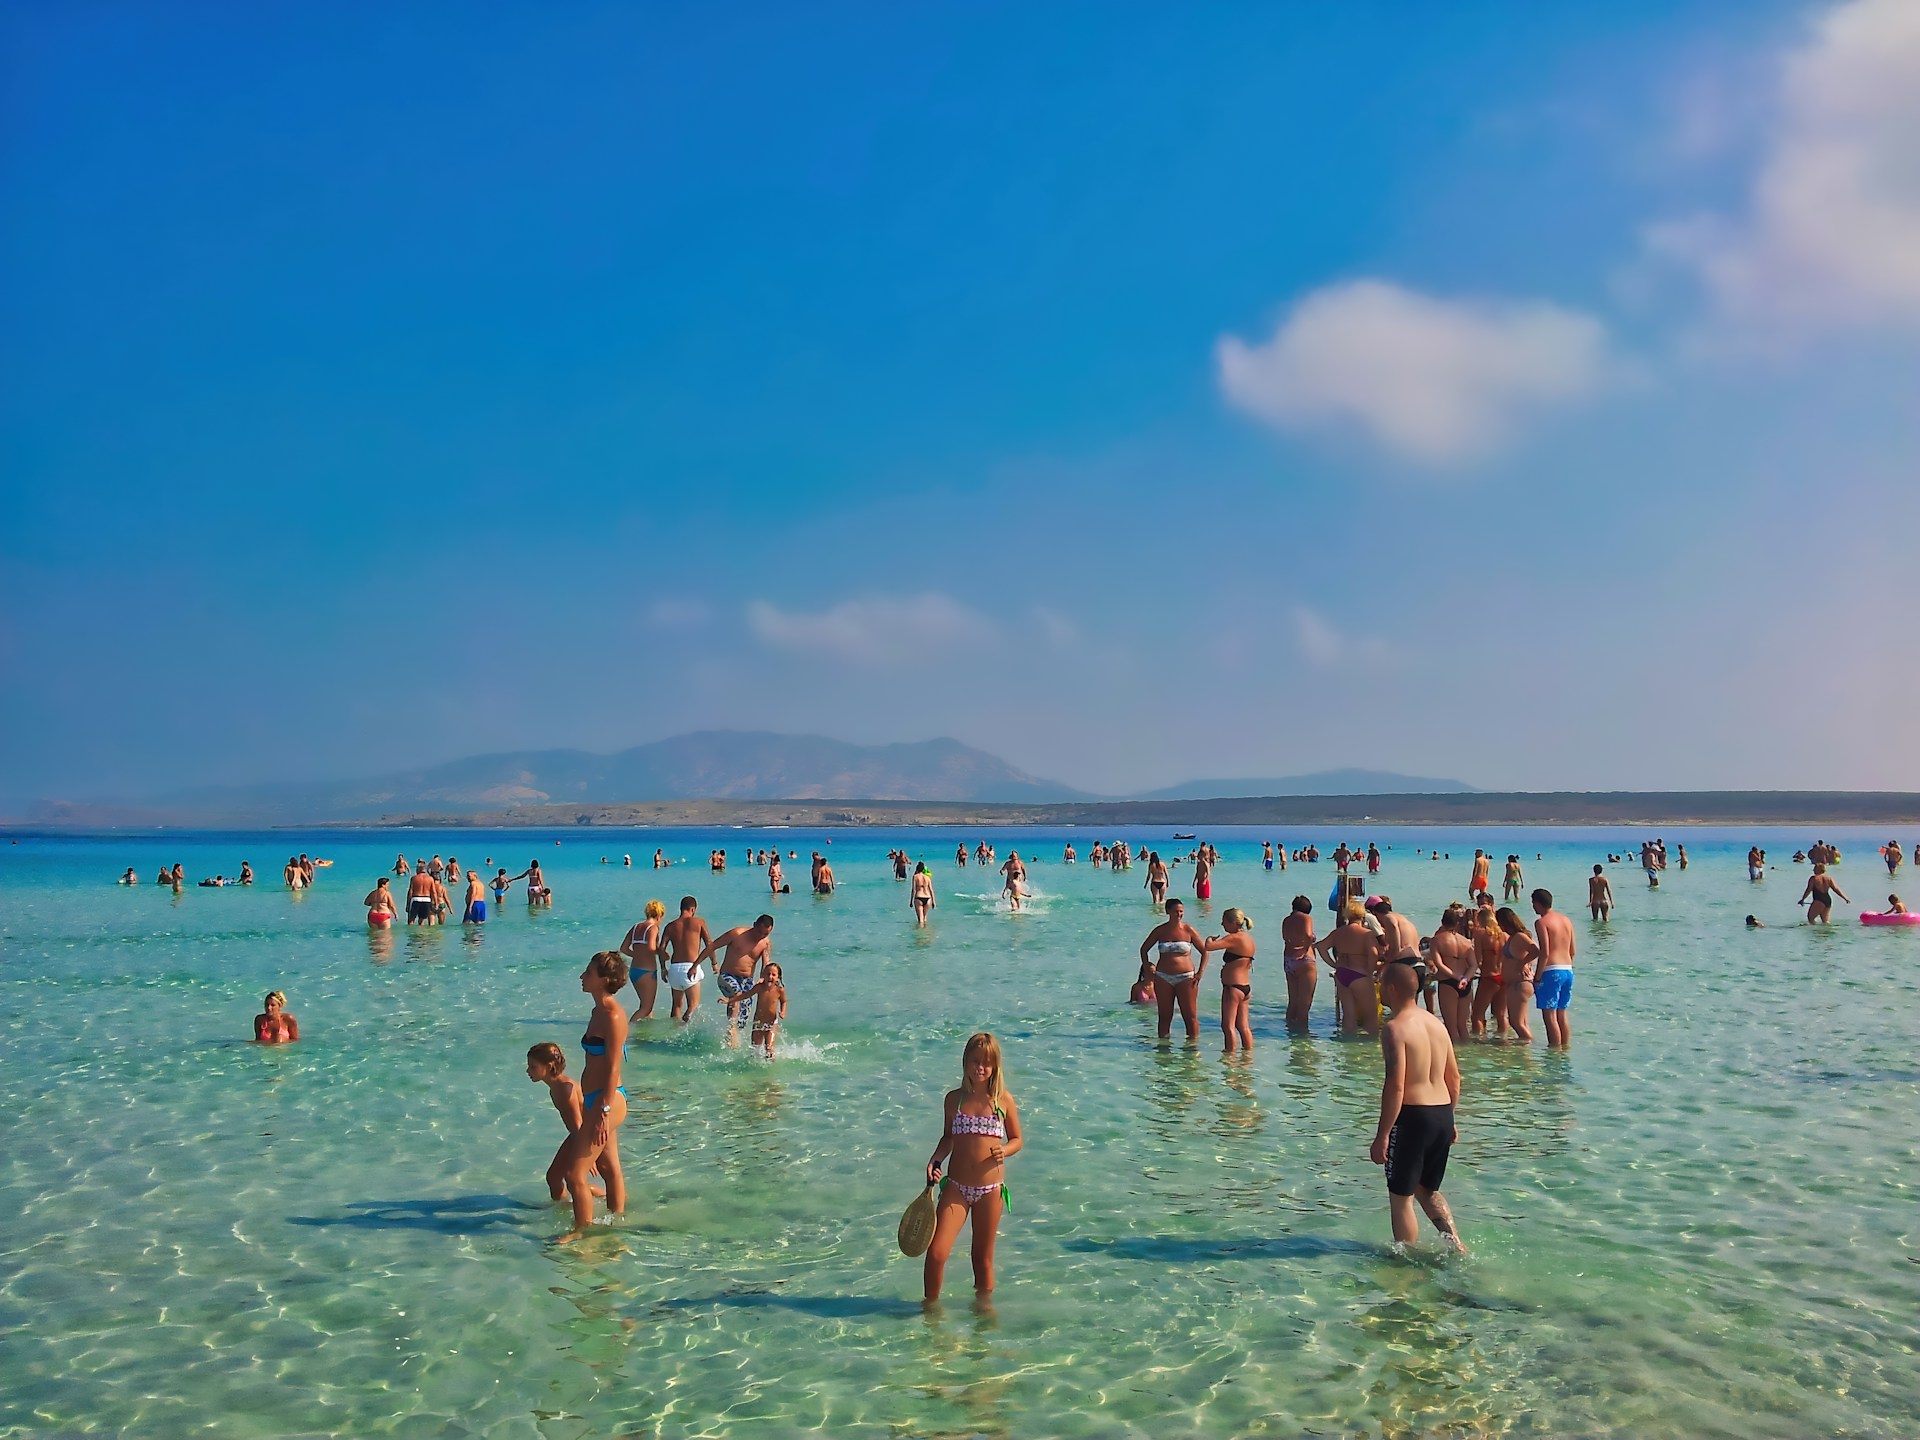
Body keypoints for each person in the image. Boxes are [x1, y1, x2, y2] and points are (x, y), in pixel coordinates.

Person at [1371, 963, 1466, 1253]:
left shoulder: (1394, 1029)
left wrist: (1382, 1135)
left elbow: (1396, 1086)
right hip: (1441, 1113)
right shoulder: (1436, 1024)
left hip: (1413, 1116)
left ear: (1392, 989)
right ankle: (1457, 1245)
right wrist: (1450, 1118)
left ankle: (1405, 1262)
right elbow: (1455, 1078)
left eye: (1381, 984)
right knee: (1428, 1189)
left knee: (1401, 1197)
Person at [922, 1032, 1023, 1302]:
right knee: (936, 1253)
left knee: (982, 1259)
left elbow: (1017, 1139)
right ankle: (930, 1314)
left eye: (986, 1063)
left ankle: (983, 1318)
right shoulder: (953, 1100)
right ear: (965, 1062)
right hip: (956, 1187)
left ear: (995, 1067)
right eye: (975, 1061)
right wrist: (936, 1158)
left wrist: (1006, 1150)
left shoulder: (1003, 1101)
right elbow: (948, 1137)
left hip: (990, 1191)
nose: (980, 1067)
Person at [560, 951, 630, 1238]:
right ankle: (618, 1222)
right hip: (596, 1099)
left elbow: (614, 1066)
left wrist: (602, 1111)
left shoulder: (613, 1015)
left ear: (604, 980)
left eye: (587, 973)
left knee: (575, 1174)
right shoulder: (596, 1012)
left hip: (608, 1100)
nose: (581, 977)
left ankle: (581, 1232)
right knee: (609, 1165)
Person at [526, 1042, 599, 1205]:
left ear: (549, 1065)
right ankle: (562, 1208)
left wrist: (588, 1155)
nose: (528, 1071)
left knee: (573, 1179)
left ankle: (607, 1198)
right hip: (576, 1134)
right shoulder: (555, 1088)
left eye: (533, 1067)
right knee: (553, 1178)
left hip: (585, 1135)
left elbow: (579, 1123)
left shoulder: (566, 1089)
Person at [699, 913, 775, 1047]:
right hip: (727, 976)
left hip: (747, 981)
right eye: (759, 932)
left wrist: (763, 979)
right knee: (737, 994)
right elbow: (712, 946)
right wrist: (695, 965)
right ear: (754, 925)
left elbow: (766, 963)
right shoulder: (737, 934)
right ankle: (731, 1029)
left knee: (743, 1018)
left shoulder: (765, 942)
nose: (760, 936)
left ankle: (731, 1039)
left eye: (765, 934)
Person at [1137, 898, 1209, 1040]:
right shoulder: (1160, 930)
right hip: (1163, 977)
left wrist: (1200, 972)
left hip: (1186, 977)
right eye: (1176, 911)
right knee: (1164, 1016)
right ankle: (1163, 1049)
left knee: (1190, 1016)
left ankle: (1193, 1050)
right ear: (1168, 911)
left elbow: (1205, 951)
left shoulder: (1188, 930)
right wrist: (1146, 966)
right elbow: (1144, 949)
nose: (1179, 914)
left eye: (1181, 911)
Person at [1316, 903, 1386, 1037]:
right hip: (1360, 974)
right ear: (1363, 916)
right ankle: (1371, 1049)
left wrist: (1334, 964)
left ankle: (1348, 1050)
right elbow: (1373, 954)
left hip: (1342, 974)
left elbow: (1321, 947)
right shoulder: (1367, 934)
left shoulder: (1338, 932)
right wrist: (1370, 971)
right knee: (1370, 1016)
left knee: (1348, 1015)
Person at [1199, 907, 1256, 1053]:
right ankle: (1248, 1058)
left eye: (1224, 921)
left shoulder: (1234, 938)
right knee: (1243, 1026)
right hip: (1245, 987)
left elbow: (1209, 947)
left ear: (1232, 922)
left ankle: (1230, 1060)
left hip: (1233, 987)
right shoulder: (1248, 938)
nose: (1222, 924)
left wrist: (1210, 938)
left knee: (1228, 1026)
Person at [1532, 888, 1575, 1047]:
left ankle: (1554, 1053)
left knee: (1549, 1016)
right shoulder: (1566, 920)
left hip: (1551, 971)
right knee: (1562, 1014)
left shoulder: (1541, 922)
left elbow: (1545, 952)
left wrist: (1537, 977)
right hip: (1567, 970)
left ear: (1537, 903)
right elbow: (1572, 950)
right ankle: (1565, 1049)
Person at [1428, 903, 1475, 1041]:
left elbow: (1439, 964)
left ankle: (1456, 1058)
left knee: (1451, 1027)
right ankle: (1467, 1056)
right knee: (1462, 1026)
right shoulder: (1466, 942)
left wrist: (1455, 976)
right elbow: (1473, 965)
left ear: (1442, 922)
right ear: (1457, 923)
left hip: (1448, 982)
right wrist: (1465, 978)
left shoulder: (1437, 940)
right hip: (1466, 983)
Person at [660, 895, 711, 1022]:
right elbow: (709, 944)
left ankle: (673, 1031)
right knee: (693, 1005)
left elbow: (661, 949)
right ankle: (687, 1025)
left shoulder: (670, 926)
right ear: (693, 909)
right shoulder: (699, 922)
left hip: (674, 970)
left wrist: (663, 968)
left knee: (676, 1005)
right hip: (690, 968)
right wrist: (714, 963)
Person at [1494, 907, 1538, 1043]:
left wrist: (1522, 963)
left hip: (1520, 984)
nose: (1499, 926)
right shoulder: (1514, 937)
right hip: (1516, 984)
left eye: (1499, 922)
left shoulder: (1519, 936)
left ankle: (1527, 1045)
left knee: (1516, 1022)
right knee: (1522, 1023)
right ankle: (1525, 1052)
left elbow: (1536, 950)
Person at [621, 899, 667, 1020]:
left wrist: (637, 955)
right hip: (647, 972)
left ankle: (645, 1034)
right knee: (646, 1008)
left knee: (645, 1006)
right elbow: (652, 948)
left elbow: (624, 948)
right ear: (659, 914)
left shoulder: (636, 927)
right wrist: (663, 954)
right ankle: (626, 1029)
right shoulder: (653, 928)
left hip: (634, 971)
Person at [1280, 896, 1317, 1030]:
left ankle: (1290, 1032)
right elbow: (1307, 935)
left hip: (1289, 959)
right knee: (1304, 1004)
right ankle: (1303, 1036)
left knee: (1293, 1002)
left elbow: (1285, 938)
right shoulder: (1306, 918)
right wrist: (1307, 947)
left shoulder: (1286, 920)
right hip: (1304, 960)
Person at [1470, 902, 1506, 1038]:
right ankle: (1502, 1041)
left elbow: (1478, 959)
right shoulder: (1504, 935)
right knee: (1501, 1015)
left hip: (1488, 977)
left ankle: (1478, 1043)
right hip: (1503, 977)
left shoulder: (1480, 933)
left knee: (1477, 1015)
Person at [743, 963, 788, 1058]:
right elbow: (746, 995)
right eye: (767, 974)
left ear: (778, 977)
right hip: (758, 1022)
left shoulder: (779, 990)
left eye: (773, 975)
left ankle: (771, 1068)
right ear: (763, 975)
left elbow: (783, 1001)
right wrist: (729, 1000)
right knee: (755, 1049)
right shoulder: (759, 987)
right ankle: (754, 1069)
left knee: (769, 1049)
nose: (770, 976)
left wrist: (783, 1012)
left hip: (772, 1023)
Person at [911, 862, 936, 927]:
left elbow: (913, 889)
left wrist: (911, 901)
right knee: (924, 918)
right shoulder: (928, 878)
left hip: (919, 898)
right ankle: (926, 934)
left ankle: (920, 935)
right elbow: (931, 890)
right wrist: (933, 902)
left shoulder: (915, 877)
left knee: (920, 920)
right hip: (928, 898)